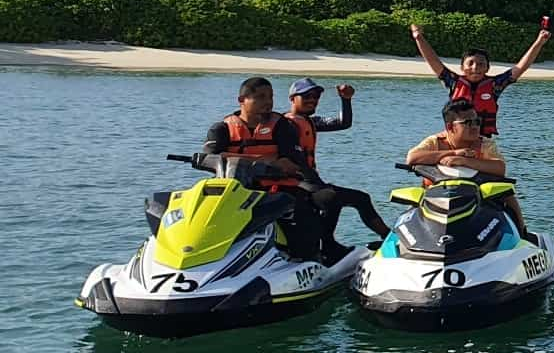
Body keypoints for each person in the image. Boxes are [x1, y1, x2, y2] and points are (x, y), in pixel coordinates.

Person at [201, 77, 335, 262]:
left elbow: (291, 161)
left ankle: (307, 258)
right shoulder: (221, 128)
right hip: (235, 190)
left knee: (300, 214)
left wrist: (231, 157)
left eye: (270, 97)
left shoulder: (283, 126)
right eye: (261, 97)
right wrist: (265, 160)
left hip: (277, 190)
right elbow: (209, 157)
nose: (268, 102)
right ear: (242, 101)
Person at [283, 77, 391, 241]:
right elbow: (296, 159)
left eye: (315, 96)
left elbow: (343, 123)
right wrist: (317, 184)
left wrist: (345, 100)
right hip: (298, 185)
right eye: (306, 96)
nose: (312, 100)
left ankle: (389, 238)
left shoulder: (310, 122)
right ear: (292, 99)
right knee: (331, 198)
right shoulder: (286, 125)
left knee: (361, 198)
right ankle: (327, 245)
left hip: (312, 183)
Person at [409, 20, 552, 138]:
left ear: (487, 68)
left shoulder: (496, 85)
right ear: (462, 67)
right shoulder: (453, 82)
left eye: (481, 64)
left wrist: (539, 42)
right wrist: (418, 37)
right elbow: (432, 60)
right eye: (470, 63)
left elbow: (520, 67)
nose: (475, 67)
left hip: (482, 139)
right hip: (454, 138)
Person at [406, 101, 525, 233]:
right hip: (436, 197)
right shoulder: (435, 141)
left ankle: (521, 231)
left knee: (507, 194)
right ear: (450, 127)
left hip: (477, 199)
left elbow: (500, 168)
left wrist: (463, 161)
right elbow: (412, 158)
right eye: (468, 123)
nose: (475, 127)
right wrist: (453, 153)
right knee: (413, 204)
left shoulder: (484, 144)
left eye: (477, 121)